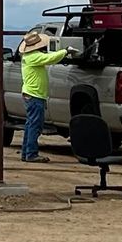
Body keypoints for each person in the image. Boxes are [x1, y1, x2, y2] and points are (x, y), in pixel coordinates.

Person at [16, 28, 72, 164]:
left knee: (31, 125)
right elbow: (50, 58)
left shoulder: (28, 57)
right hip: (35, 95)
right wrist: (65, 51)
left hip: (32, 94)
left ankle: (27, 152)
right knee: (35, 125)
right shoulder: (34, 57)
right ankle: (31, 153)